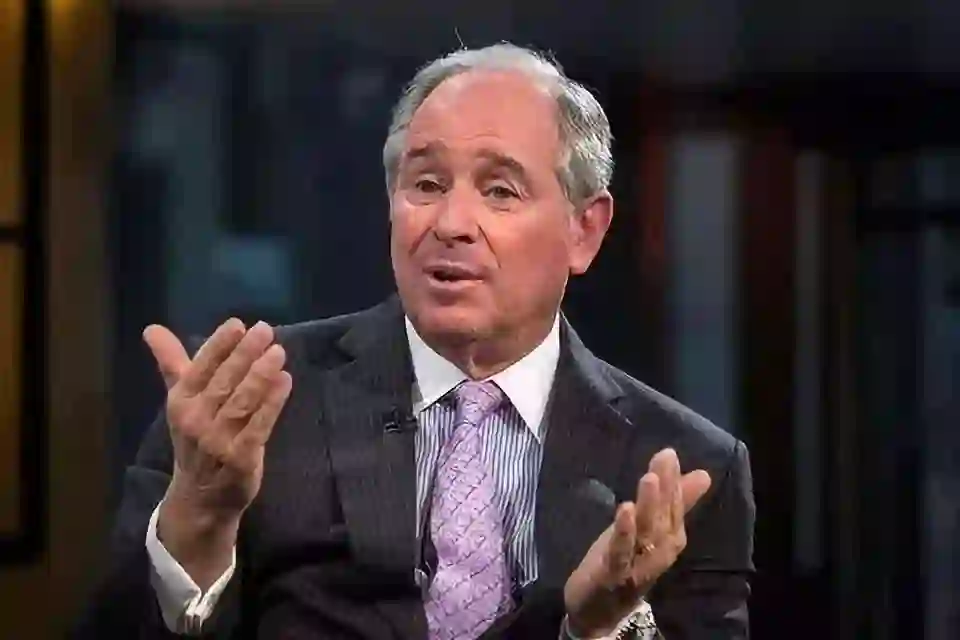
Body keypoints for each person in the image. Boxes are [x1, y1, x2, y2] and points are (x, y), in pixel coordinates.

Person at [75, 43, 754, 640]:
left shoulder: (688, 470)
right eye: (426, 184)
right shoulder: (244, 406)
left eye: (500, 191)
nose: (451, 222)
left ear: (585, 230)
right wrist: (197, 522)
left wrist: (597, 629)